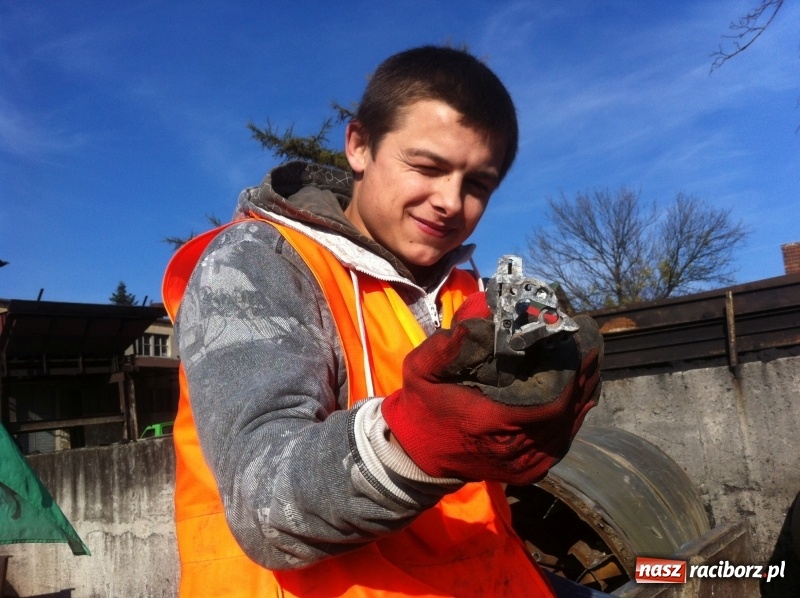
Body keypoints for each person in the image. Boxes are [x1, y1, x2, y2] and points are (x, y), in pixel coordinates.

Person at [163, 45, 604, 597]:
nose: (450, 201)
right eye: (426, 166)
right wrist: (419, 440)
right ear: (360, 146)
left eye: (478, 185)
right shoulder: (257, 262)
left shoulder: (468, 296)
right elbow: (264, 507)